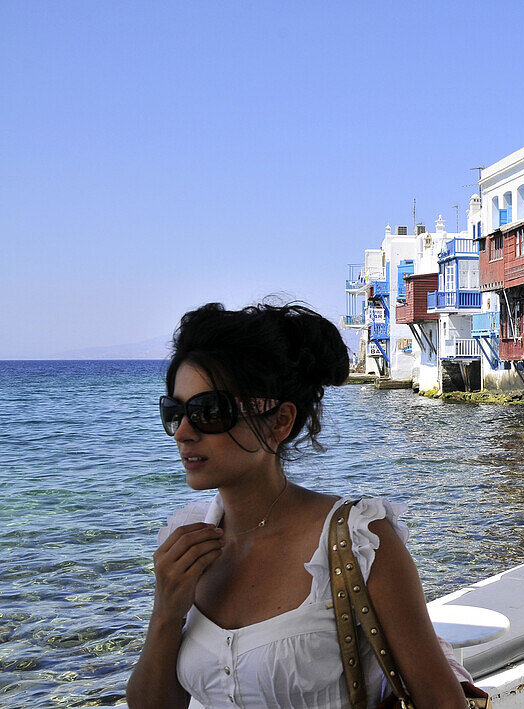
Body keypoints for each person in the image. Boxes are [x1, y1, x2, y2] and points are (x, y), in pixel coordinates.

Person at [127, 302, 469, 709]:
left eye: (209, 412)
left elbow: (441, 701)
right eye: (175, 412)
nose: (183, 432)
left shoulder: (359, 542)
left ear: (279, 422)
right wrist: (166, 612)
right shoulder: (184, 545)